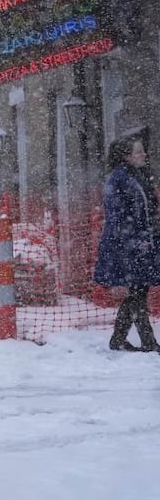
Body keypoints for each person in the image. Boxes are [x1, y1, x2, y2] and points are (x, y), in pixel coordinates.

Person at [93, 136, 160, 352]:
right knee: (137, 291)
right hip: (127, 247)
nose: (144, 155)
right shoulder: (119, 180)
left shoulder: (136, 175)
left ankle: (119, 339)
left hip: (141, 244)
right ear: (127, 157)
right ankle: (148, 342)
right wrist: (134, 242)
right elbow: (118, 217)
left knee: (138, 291)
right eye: (138, 152)